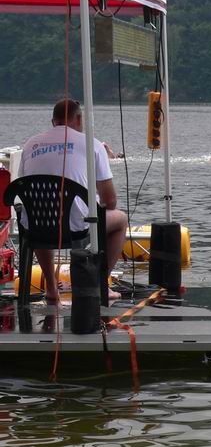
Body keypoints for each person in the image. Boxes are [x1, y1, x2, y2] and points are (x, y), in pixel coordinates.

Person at [18, 98, 128, 301]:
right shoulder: (93, 145)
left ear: (53, 121)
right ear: (79, 119)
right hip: (78, 228)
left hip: (36, 226)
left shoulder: (30, 145)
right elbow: (110, 201)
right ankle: (100, 283)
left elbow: (23, 185)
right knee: (120, 219)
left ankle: (52, 288)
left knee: (38, 215)